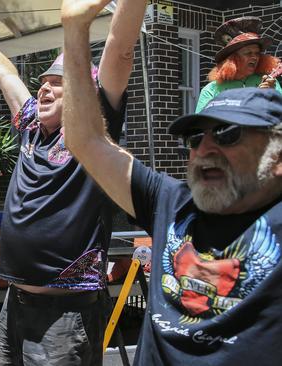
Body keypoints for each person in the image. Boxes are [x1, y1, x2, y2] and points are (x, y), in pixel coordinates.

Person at [59, 1, 282, 365]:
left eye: (227, 134)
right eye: (195, 138)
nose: (205, 148)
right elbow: (87, 141)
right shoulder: (171, 202)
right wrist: (75, 31)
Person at [0, 0, 146, 364]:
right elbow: (5, 74)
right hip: (15, 306)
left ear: (85, 95)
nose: (44, 89)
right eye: (43, 83)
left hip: (64, 316)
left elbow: (120, 53)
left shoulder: (92, 135)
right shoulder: (32, 129)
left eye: (58, 83)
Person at [196, 16, 282, 112]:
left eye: (257, 53)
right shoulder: (211, 90)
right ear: (233, 59)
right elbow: (201, 124)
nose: (255, 57)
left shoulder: (270, 83)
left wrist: (272, 95)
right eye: (248, 53)